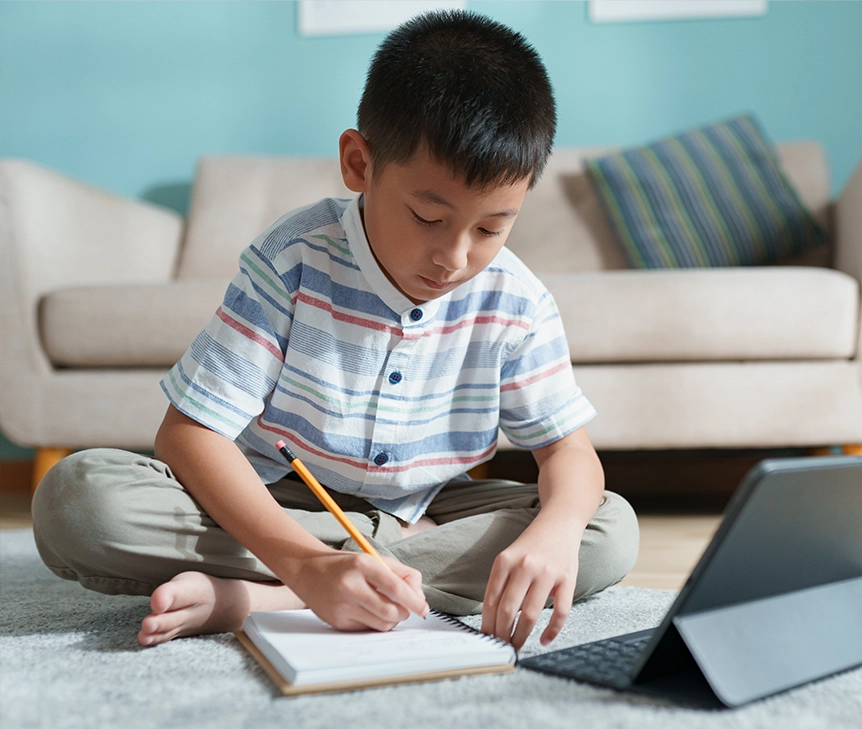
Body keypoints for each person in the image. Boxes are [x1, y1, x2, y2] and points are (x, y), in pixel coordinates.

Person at [31, 10, 639, 652]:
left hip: (421, 510)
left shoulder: (517, 302)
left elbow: (569, 454)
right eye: (428, 217)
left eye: (490, 228)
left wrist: (556, 531)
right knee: (80, 499)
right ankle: (329, 574)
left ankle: (267, 598)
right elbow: (188, 436)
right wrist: (309, 558)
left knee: (603, 528)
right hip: (273, 499)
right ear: (359, 163)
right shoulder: (293, 258)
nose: (455, 258)